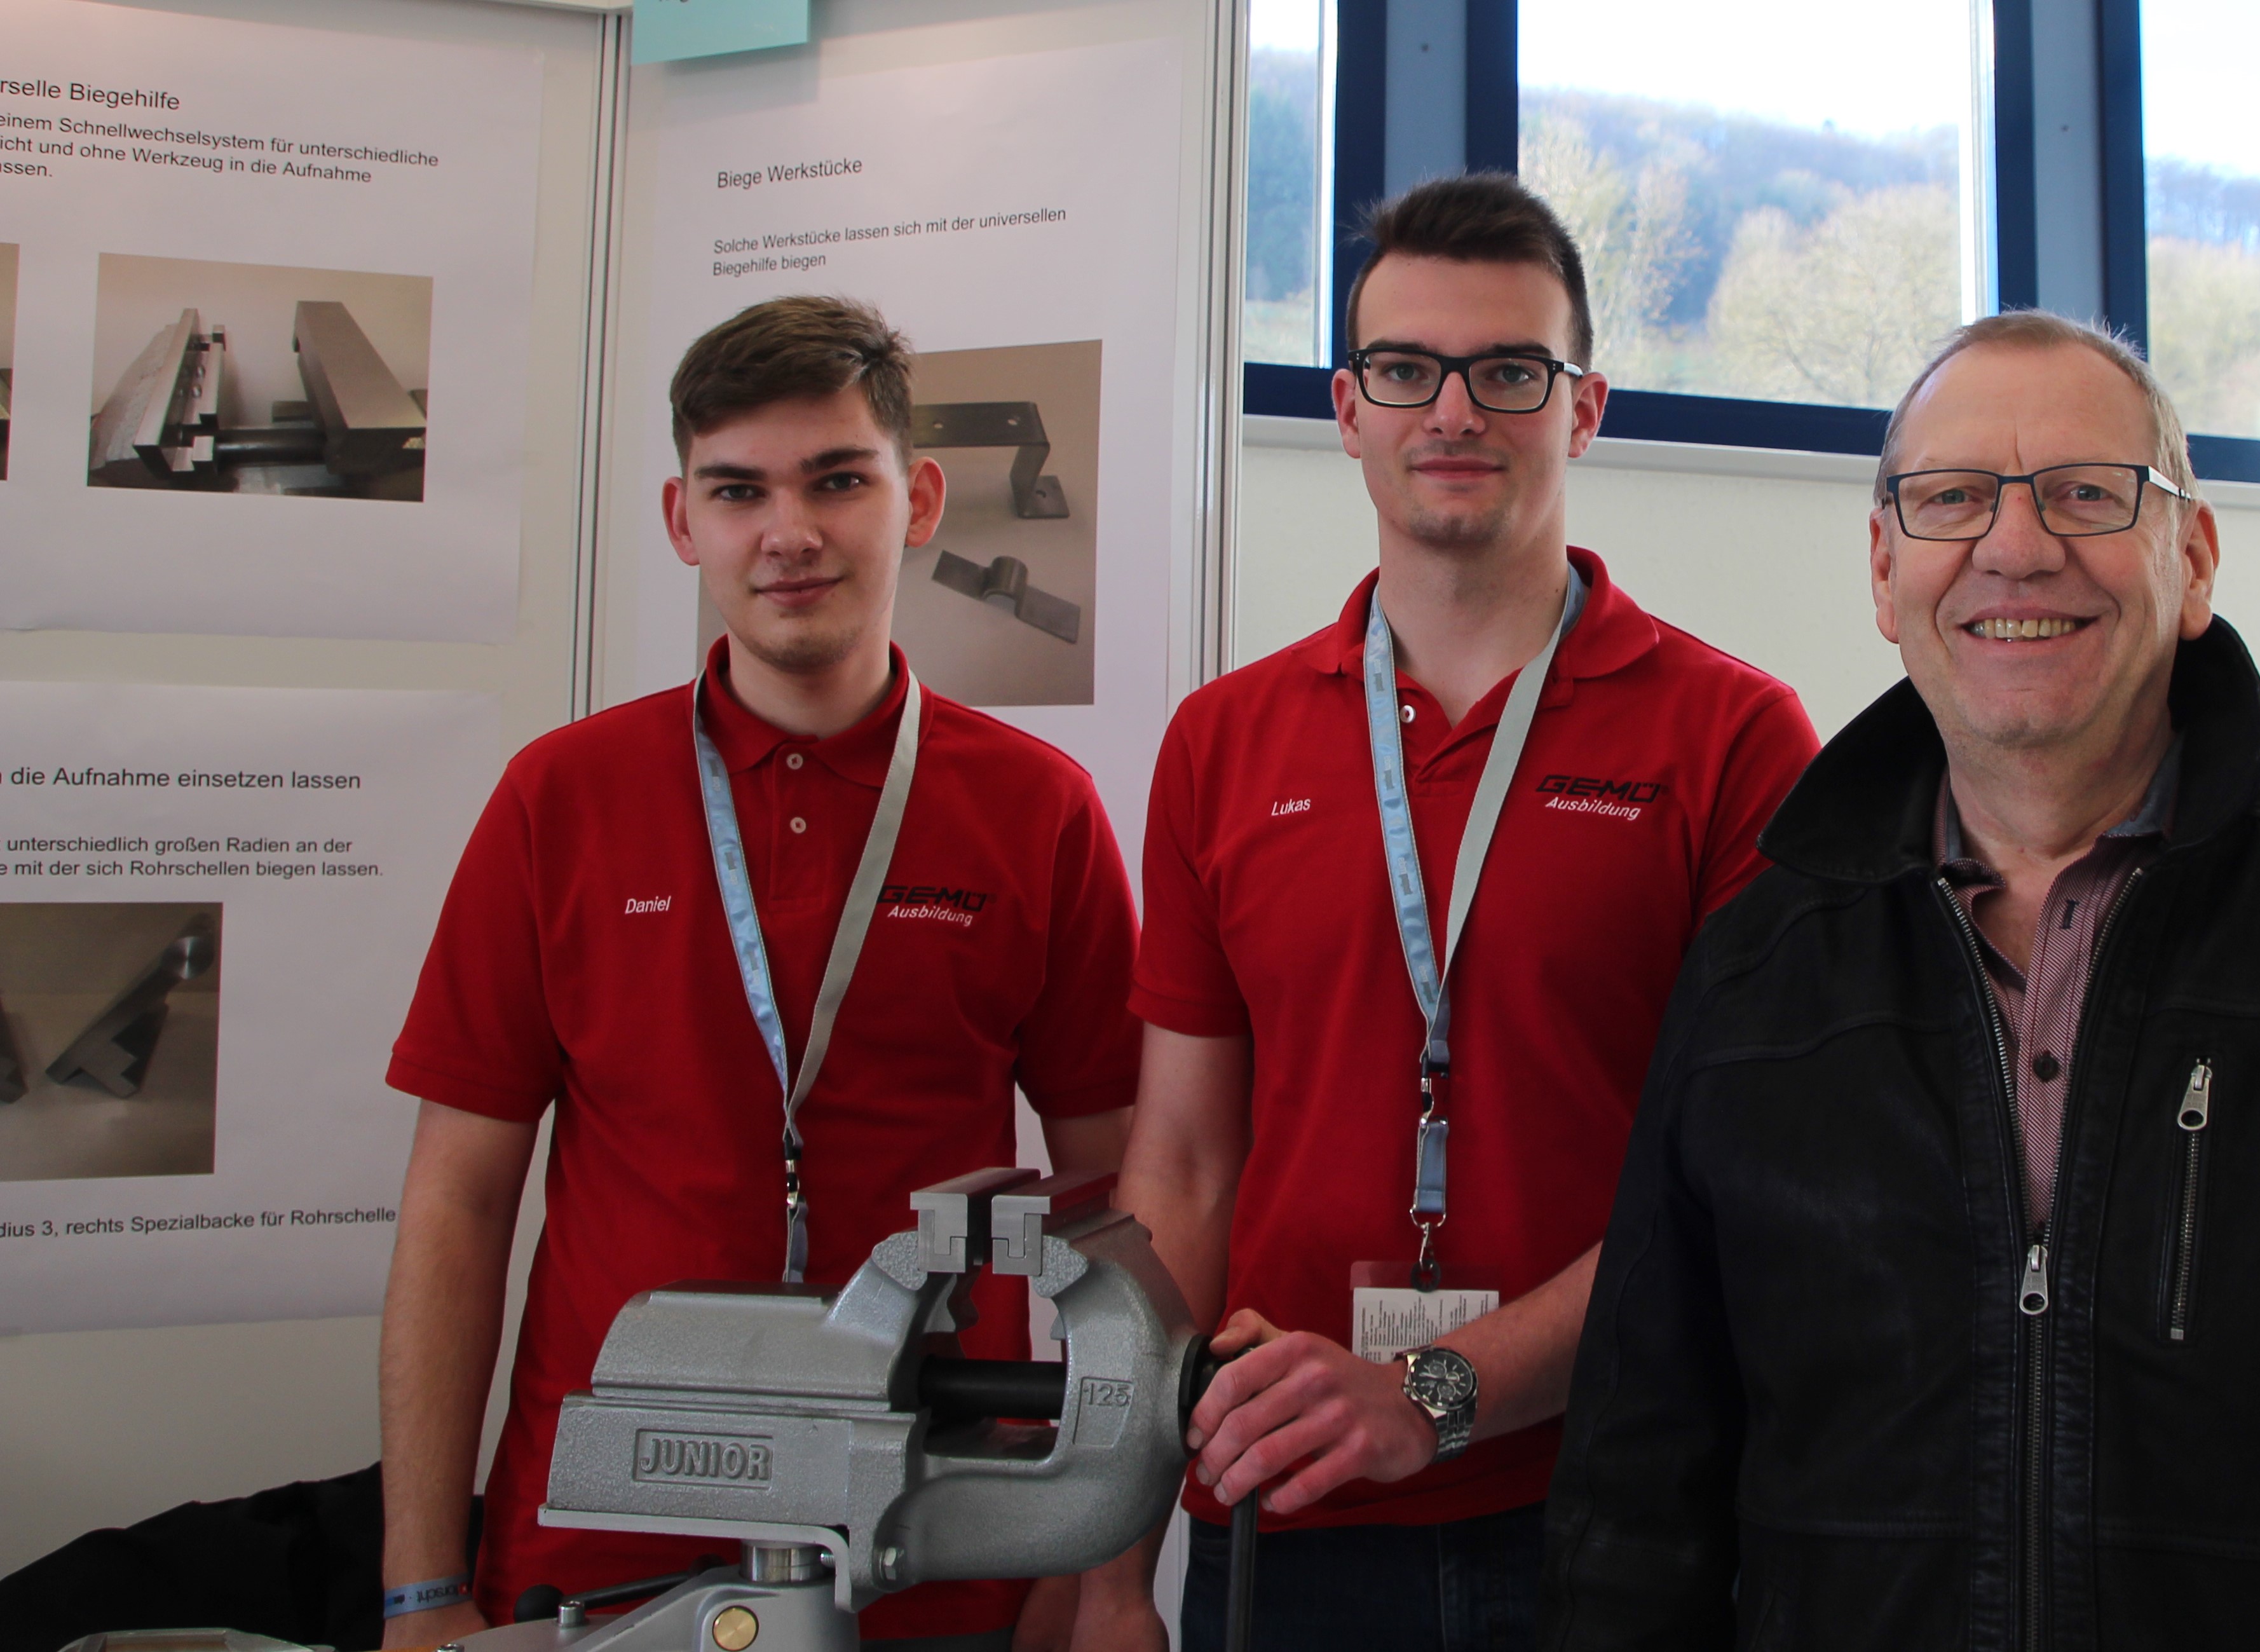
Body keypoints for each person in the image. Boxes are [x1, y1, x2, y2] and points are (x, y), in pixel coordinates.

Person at [1541, 310, 2260, 1648]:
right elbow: (1636, 1512)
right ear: (1884, 571)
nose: (2015, 545)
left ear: (2195, 556)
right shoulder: (1756, 977)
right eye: (1952, 498)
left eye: (2085, 493)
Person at [1070, 174, 1821, 1651]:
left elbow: (1743, 1181)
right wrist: (1108, 1565)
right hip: (1287, 1508)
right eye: (1408, 370)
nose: (1456, 411)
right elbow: (1184, 1165)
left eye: (1510, 372)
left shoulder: (1734, 737)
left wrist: (1433, 1390)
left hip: (1620, 1506)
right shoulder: (1223, 743)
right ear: (1348, 410)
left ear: (1583, 409)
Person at [378, 296, 1141, 1650]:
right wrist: (422, 1587)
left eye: (836, 480)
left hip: (942, 1536)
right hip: (601, 1546)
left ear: (916, 500)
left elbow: (1119, 1209)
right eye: (739, 491)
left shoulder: (1038, 810)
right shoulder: (560, 800)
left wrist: (1090, 1568)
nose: (788, 533)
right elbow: (460, 1200)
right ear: (684, 521)